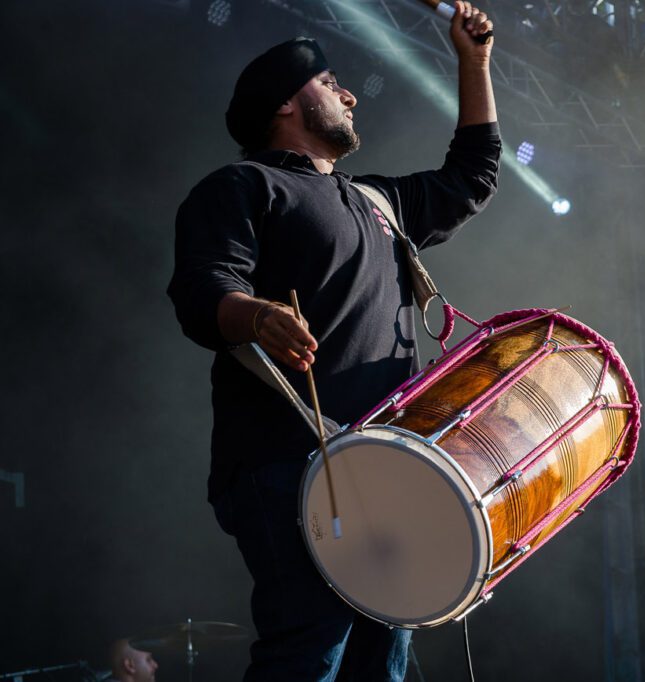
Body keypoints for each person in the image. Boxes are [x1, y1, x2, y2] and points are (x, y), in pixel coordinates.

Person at [166, 2, 499, 679]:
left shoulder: (378, 202)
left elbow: (472, 175)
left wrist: (474, 65)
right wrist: (255, 315)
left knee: (382, 659)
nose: (350, 95)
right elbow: (201, 292)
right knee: (310, 650)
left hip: (379, 464)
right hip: (285, 455)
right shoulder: (244, 186)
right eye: (331, 82)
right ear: (287, 104)